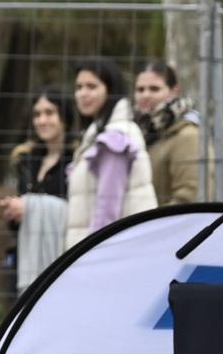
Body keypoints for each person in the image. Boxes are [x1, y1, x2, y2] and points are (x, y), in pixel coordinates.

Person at [64, 60, 157, 246]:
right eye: (79, 87)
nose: (83, 93)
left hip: (106, 251)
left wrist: (91, 252)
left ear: (110, 89)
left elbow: (108, 210)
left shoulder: (115, 138)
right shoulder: (101, 132)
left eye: (92, 86)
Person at [0, 91, 73, 290]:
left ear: (65, 117)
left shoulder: (77, 158)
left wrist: (30, 206)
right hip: (27, 258)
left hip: (65, 258)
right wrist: (14, 212)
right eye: (37, 114)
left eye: (49, 113)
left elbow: (80, 211)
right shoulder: (27, 160)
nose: (42, 120)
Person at [132, 61, 203, 207]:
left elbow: (189, 196)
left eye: (154, 89)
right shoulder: (137, 133)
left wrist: (150, 224)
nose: (145, 95)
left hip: (167, 226)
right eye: (140, 89)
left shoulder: (187, 135)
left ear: (174, 91)